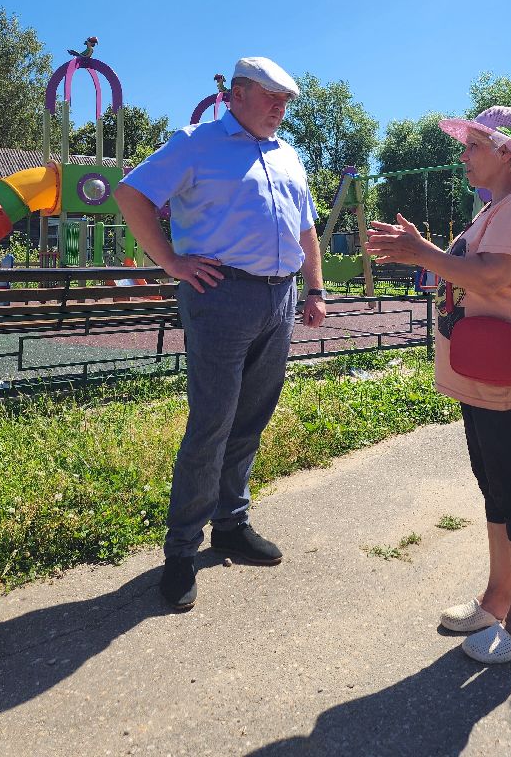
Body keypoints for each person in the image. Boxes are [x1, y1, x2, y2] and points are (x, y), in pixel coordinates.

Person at [115, 56, 327, 610]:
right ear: (236, 95)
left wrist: (315, 290)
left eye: (286, 100)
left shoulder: (288, 156)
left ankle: (231, 525)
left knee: (251, 418)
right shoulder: (196, 143)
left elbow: (305, 228)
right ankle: (181, 552)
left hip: (278, 298)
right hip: (220, 295)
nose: (281, 108)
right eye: (270, 97)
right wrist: (171, 262)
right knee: (211, 423)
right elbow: (131, 195)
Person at [367, 107, 511, 665]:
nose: (463, 154)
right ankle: (497, 599)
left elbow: (493, 275)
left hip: (507, 377)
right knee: (495, 491)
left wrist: (420, 252)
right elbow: (469, 267)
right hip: (483, 372)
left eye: (474, 144)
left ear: (507, 152)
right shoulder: (498, 207)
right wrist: (425, 247)